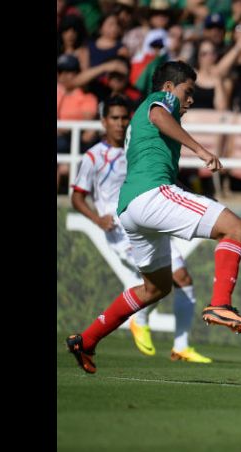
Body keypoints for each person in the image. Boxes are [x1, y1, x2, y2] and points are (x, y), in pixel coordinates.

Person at [66, 61, 241, 374]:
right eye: (188, 92)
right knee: (237, 228)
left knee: (155, 288)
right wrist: (200, 149)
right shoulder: (160, 101)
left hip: (130, 210)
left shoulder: (145, 127)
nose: (191, 100)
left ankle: (86, 340)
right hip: (152, 196)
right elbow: (159, 115)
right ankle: (220, 303)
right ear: (169, 88)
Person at [71, 95, 212, 364]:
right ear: (103, 121)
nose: (121, 123)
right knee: (165, 280)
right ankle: (139, 319)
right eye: (114, 118)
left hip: (150, 217)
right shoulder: (93, 157)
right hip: (120, 228)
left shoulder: (136, 147)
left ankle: (180, 345)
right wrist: (98, 219)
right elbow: (77, 197)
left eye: (125, 118)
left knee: (181, 279)